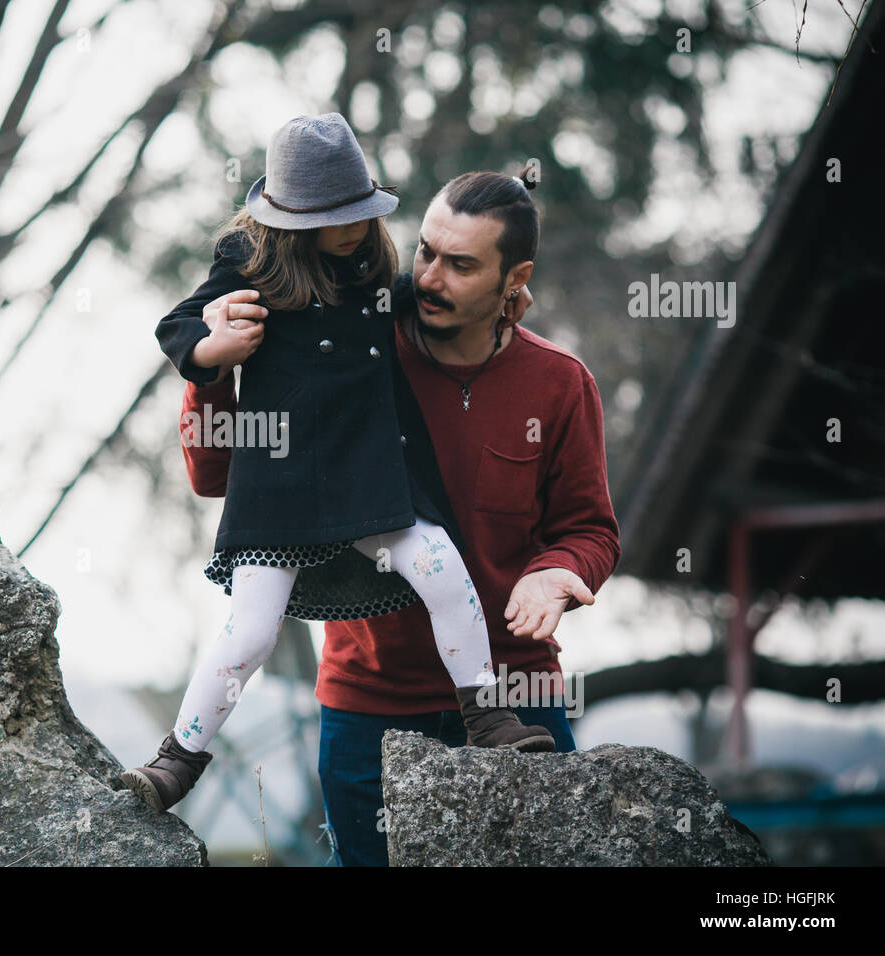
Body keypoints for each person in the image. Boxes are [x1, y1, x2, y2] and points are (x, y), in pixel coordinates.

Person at [179, 167, 622, 864]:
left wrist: (557, 571)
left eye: (463, 264)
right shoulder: (355, 340)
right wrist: (209, 366)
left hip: (515, 695)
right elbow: (216, 475)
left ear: (517, 277)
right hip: (367, 707)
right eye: (425, 252)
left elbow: (589, 529)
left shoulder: (560, 384)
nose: (432, 277)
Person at [121, 114, 554, 814]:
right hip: (279, 480)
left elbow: (412, 304)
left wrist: (492, 307)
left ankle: (488, 716)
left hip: (372, 470)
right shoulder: (249, 262)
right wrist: (211, 351)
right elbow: (178, 326)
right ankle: (176, 761)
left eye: (363, 210)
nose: (356, 226)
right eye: (337, 216)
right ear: (291, 219)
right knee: (251, 629)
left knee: (443, 569)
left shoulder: (373, 264)